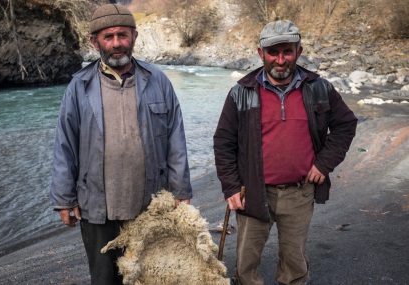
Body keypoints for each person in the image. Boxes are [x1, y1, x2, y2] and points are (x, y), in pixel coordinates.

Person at [50, 4, 192, 284]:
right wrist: (64, 199)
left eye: (123, 35)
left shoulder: (158, 81)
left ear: (134, 37)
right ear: (95, 41)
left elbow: (176, 138)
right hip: (97, 207)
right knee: (104, 279)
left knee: (150, 276)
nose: (117, 43)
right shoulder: (79, 86)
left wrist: (181, 189)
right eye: (108, 36)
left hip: (150, 204)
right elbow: (64, 145)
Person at [213, 20, 357, 285]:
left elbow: (345, 125)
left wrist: (324, 164)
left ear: (298, 52)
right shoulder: (241, 92)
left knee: (294, 265)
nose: (280, 60)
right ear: (261, 54)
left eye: (287, 51)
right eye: (273, 53)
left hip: (299, 192)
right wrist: (231, 187)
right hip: (252, 192)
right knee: (246, 266)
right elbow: (224, 142)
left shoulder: (319, 88)